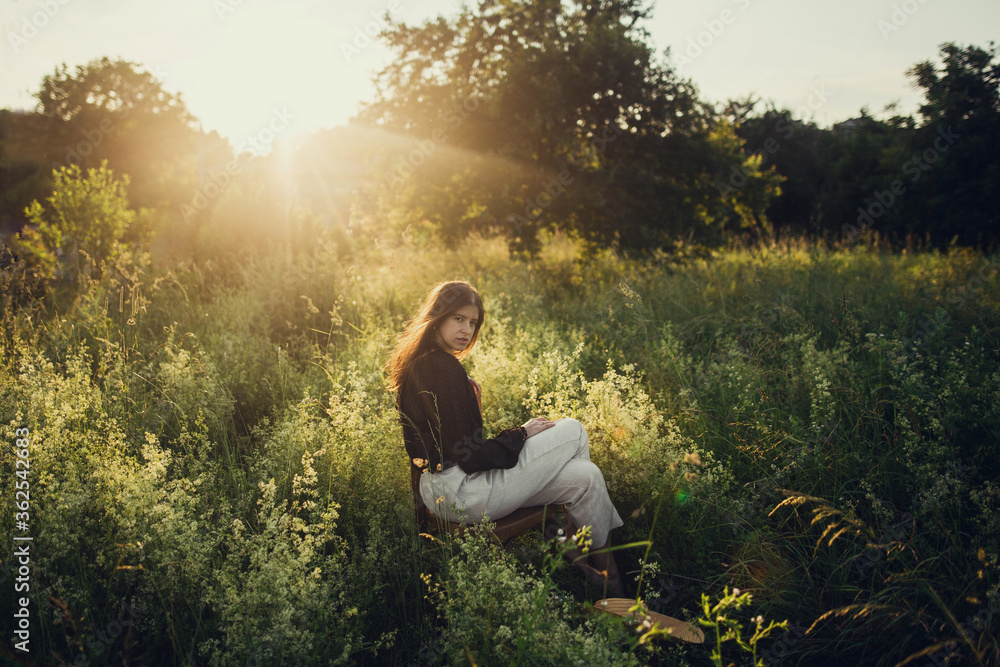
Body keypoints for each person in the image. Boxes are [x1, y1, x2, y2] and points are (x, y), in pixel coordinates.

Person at [386, 280, 624, 595]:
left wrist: (473, 404)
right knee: (574, 430)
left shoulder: (424, 363)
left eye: (473, 323)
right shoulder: (442, 370)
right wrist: (521, 433)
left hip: (443, 488)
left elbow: (458, 443)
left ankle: (606, 582)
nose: (467, 330)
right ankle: (575, 556)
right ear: (438, 317)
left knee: (587, 477)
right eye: (458, 319)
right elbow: (471, 454)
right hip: (462, 494)